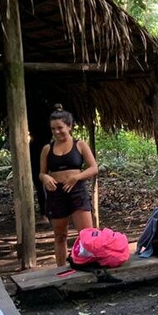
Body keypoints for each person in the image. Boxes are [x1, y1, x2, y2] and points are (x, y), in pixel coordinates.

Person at [38, 106, 99, 266]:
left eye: (60, 128)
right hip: (55, 193)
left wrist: (76, 177)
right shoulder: (47, 149)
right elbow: (42, 173)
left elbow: (93, 168)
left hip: (76, 191)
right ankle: (61, 268)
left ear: (69, 126)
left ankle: (90, 265)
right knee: (60, 235)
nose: (56, 132)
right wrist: (45, 178)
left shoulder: (80, 145)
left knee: (86, 234)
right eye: (53, 129)